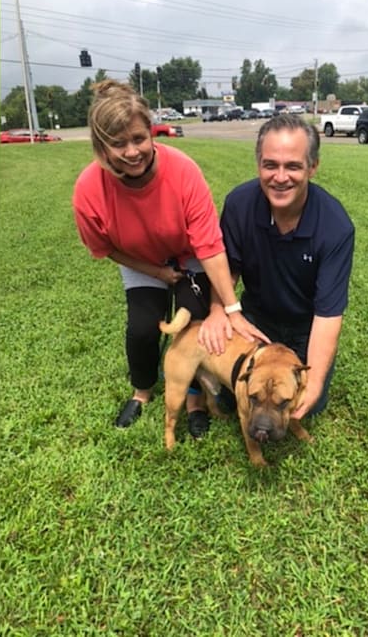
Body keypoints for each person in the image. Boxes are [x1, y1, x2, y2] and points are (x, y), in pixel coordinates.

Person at [72, 79, 266, 436]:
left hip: (190, 258)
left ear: (152, 133)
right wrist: (156, 273)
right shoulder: (88, 190)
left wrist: (230, 309)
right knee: (142, 329)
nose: (132, 152)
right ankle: (142, 391)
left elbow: (209, 245)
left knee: (195, 324)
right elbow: (105, 248)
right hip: (140, 262)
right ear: (101, 147)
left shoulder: (183, 171)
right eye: (118, 144)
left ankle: (194, 397)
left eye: (138, 139)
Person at [199, 114, 355, 419]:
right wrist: (219, 311)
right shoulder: (240, 204)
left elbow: (328, 315)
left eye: (293, 166)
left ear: (313, 167)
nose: (280, 177)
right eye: (270, 165)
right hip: (253, 320)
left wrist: (316, 383)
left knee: (308, 404)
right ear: (258, 164)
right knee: (238, 398)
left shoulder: (335, 226)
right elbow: (226, 270)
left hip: (304, 327)